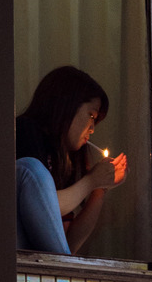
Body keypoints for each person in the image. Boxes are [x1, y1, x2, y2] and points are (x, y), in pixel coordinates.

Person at [16, 66, 128, 254]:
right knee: (32, 168)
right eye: (91, 115)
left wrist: (100, 188)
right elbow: (43, 203)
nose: (92, 128)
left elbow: (69, 244)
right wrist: (92, 180)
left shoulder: (64, 157)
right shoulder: (25, 132)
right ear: (67, 104)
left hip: (41, 265)